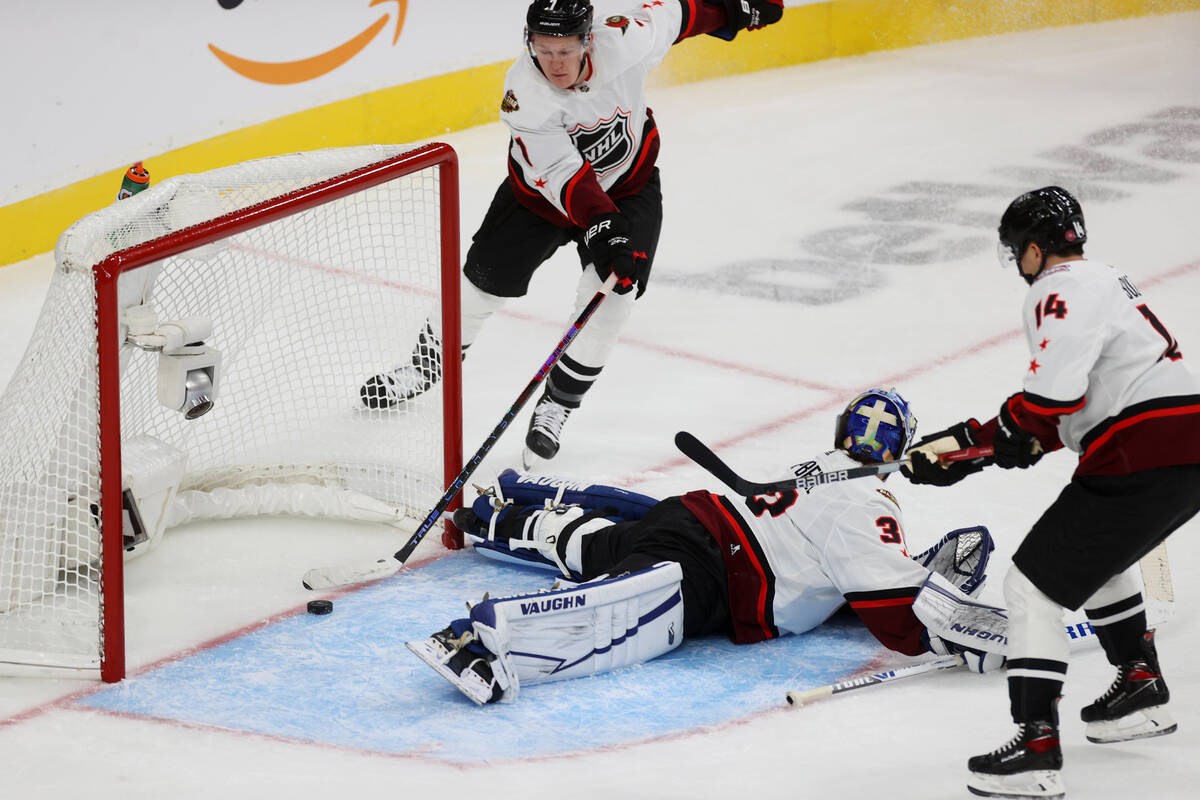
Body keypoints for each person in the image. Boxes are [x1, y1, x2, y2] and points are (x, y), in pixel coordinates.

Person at [359, 0, 785, 468]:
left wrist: (734, 10)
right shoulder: (524, 93)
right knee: (479, 288)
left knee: (612, 297)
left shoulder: (626, 40)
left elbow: (677, 16)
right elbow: (565, 174)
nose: (554, 63)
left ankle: (557, 404)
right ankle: (424, 368)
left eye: (564, 50)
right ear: (529, 44)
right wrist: (605, 232)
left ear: (588, 40)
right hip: (539, 201)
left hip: (629, 187)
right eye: (543, 50)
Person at [406, 387, 1007, 705]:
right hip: (713, 574)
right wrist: (952, 629)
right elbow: (888, 611)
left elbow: (846, 581)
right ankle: (479, 638)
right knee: (618, 609)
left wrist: (921, 573)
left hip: (694, 519)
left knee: (606, 546)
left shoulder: (820, 468)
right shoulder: (867, 505)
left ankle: (498, 512)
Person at [900, 186, 1200, 799]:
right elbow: (1070, 412)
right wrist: (969, 448)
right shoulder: (1108, 280)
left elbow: (1050, 403)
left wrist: (990, 442)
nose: (1019, 264)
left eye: (1018, 252)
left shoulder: (1056, 290)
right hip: (1181, 449)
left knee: (1029, 589)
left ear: (1035, 250)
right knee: (1098, 561)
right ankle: (1139, 688)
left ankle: (1036, 748)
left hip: (1136, 456)